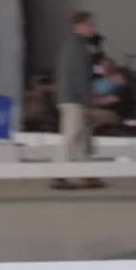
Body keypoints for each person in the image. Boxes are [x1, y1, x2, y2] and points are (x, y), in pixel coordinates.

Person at [54, 11, 105, 190]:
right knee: (72, 136)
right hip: (74, 99)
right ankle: (59, 176)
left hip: (71, 97)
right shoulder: (77, 47)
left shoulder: (76, 45)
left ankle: (86, 174)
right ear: (77, 26)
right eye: (89, 24)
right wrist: (88, 103)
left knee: (81, 137)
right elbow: (80, 78)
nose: (92, 27)